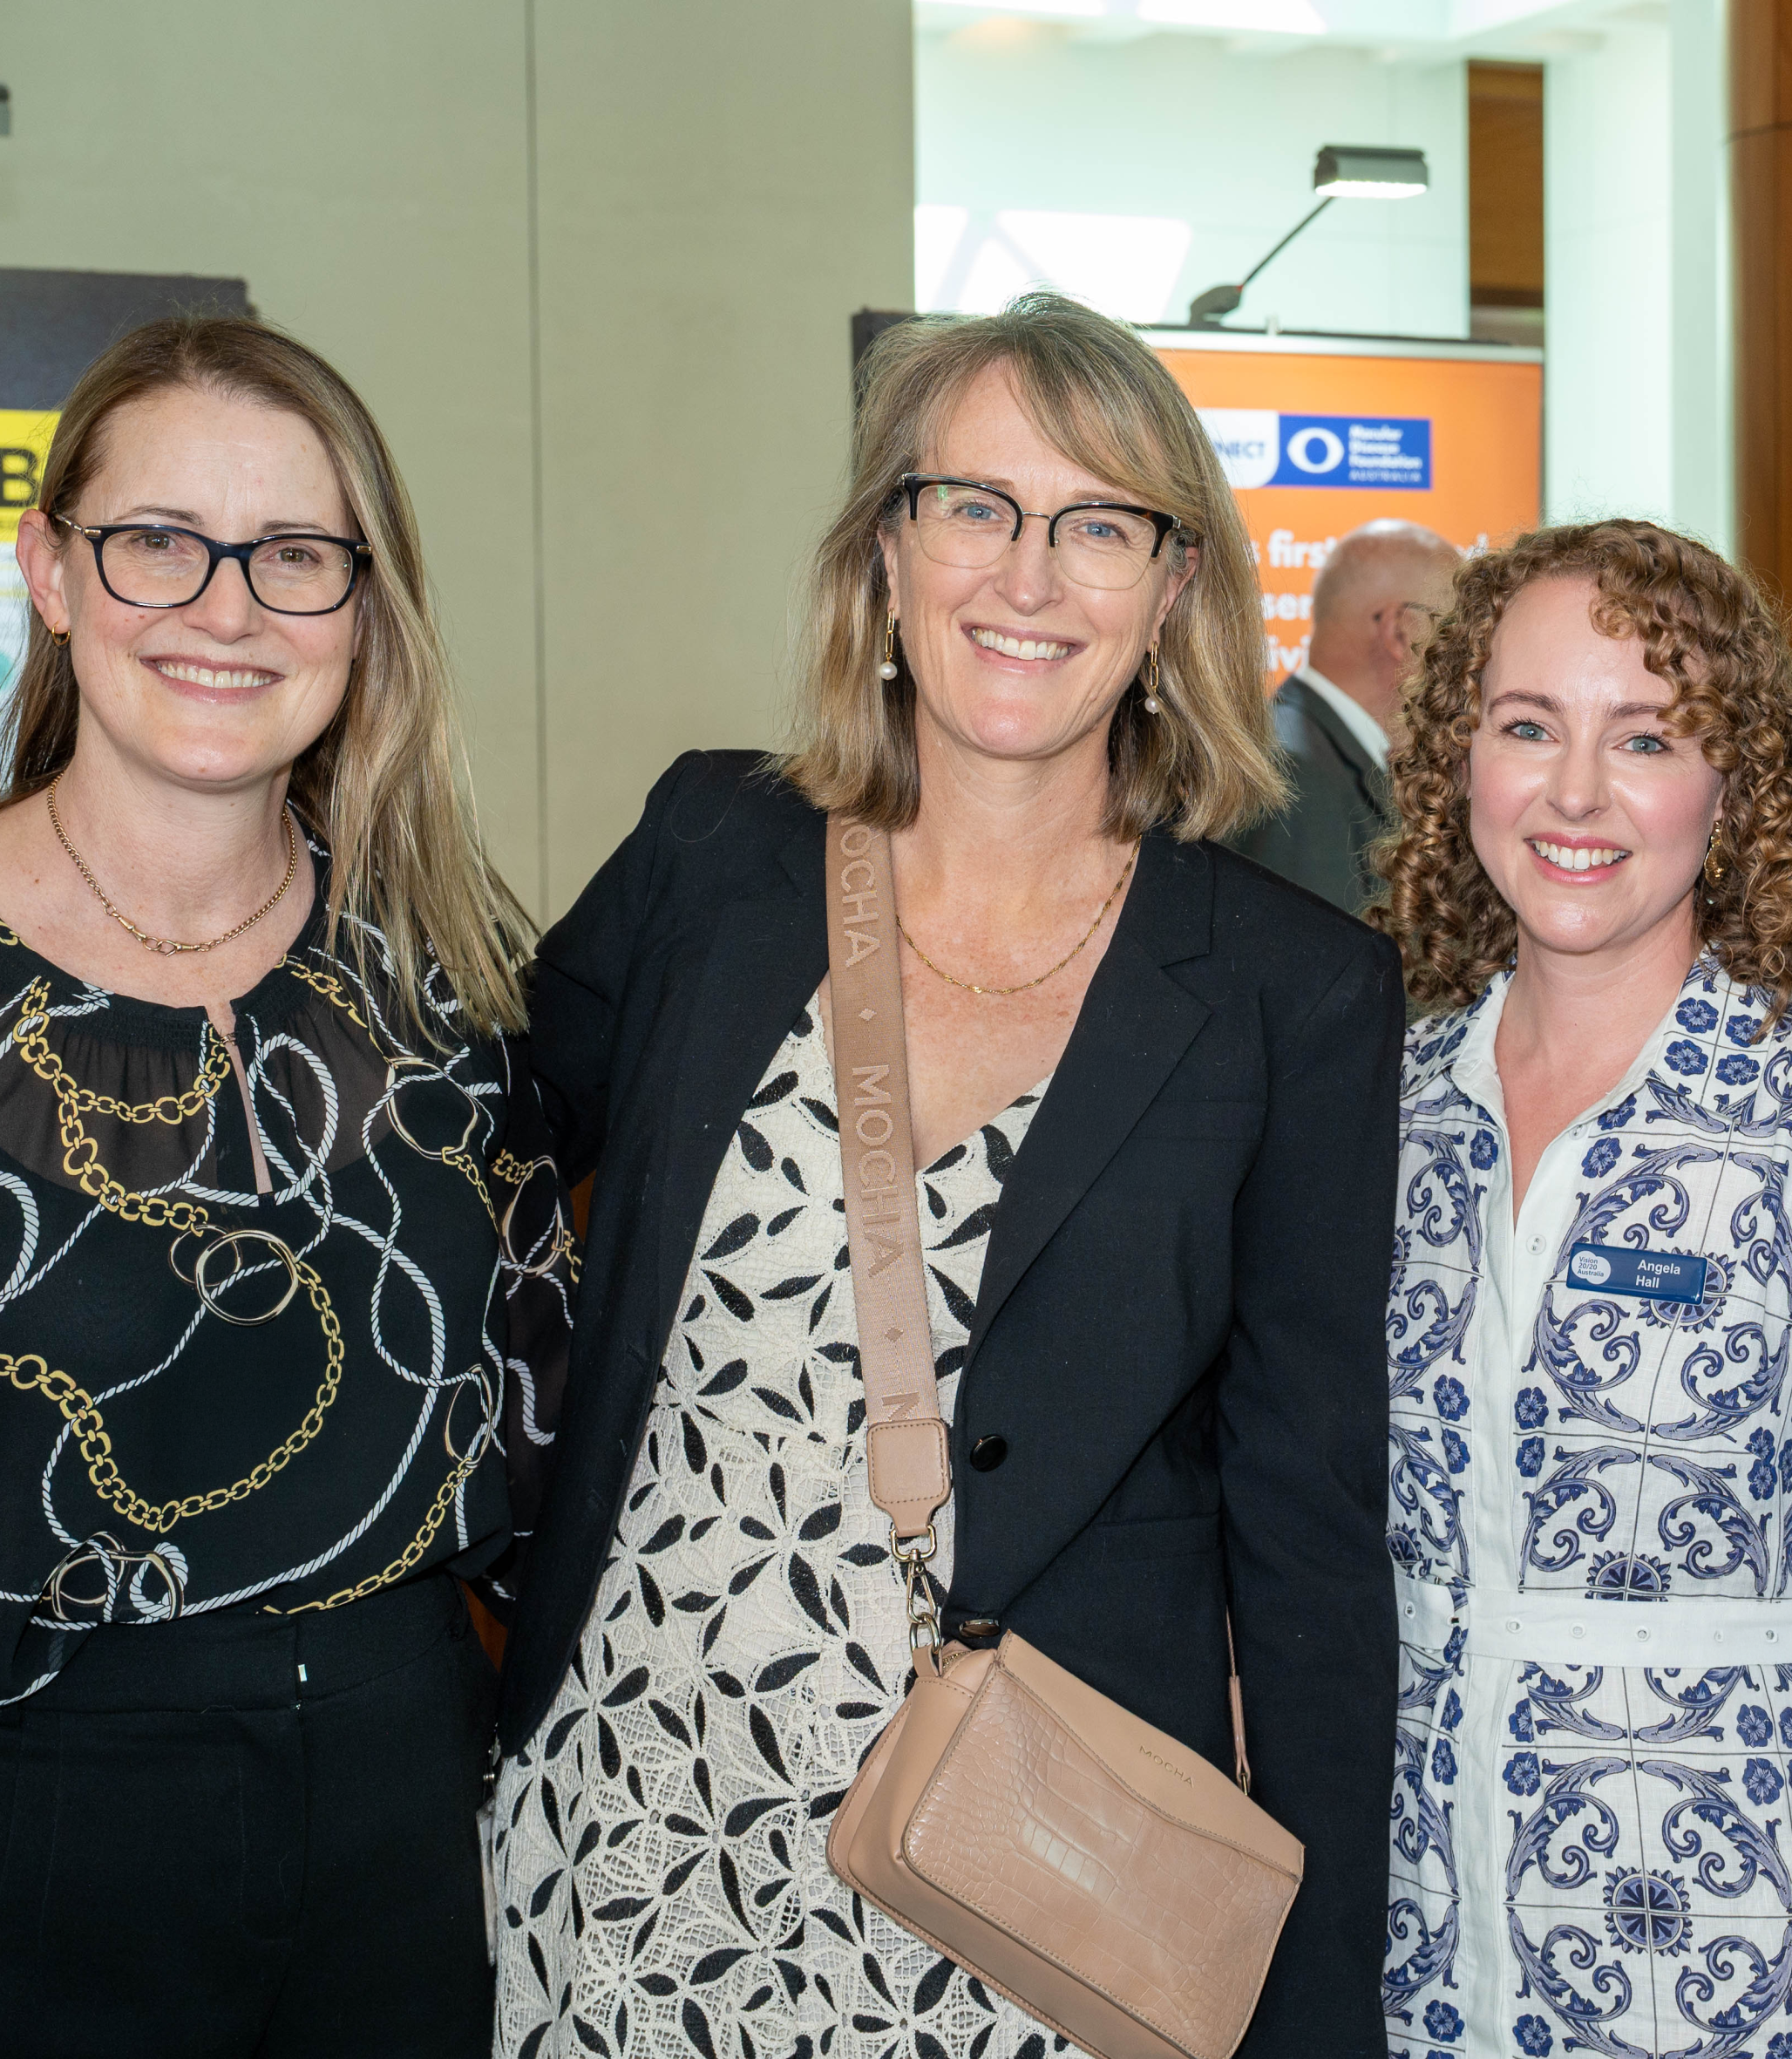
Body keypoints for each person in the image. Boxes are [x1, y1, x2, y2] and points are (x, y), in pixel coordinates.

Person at [490, 294, 1403, 2058]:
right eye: (970, 503)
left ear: (1172, 593)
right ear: (886, 555)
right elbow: (462, 1142)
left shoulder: (1292, 991)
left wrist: (1310, 2009)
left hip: (1009, 1874)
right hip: (632, 1802)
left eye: (1095, 523)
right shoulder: (711, 850)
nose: (1025, 573)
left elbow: (1305, 1529)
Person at [0, 316, 570, 2056]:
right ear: (50, 571)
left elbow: (549, 1418)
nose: (227, 609)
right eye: (158, 543)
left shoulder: (451, 975)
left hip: (390, 1827)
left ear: (365, 605)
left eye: (295, 556)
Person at [1370, 519, 1792, 2059]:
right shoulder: (1376, 1115)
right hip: (1416, 1954)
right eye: (1530, 727)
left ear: (1734, 785)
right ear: (1463, 759)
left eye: (1644, 736)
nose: (1576, 792)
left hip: (1747, 1964)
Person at [1225, 517, 1459, 912]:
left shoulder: (1305, 752)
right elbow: (1309, 968)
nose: (1473, 651)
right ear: (1400, 633)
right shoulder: (1296, 778)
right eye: (1455, 627)